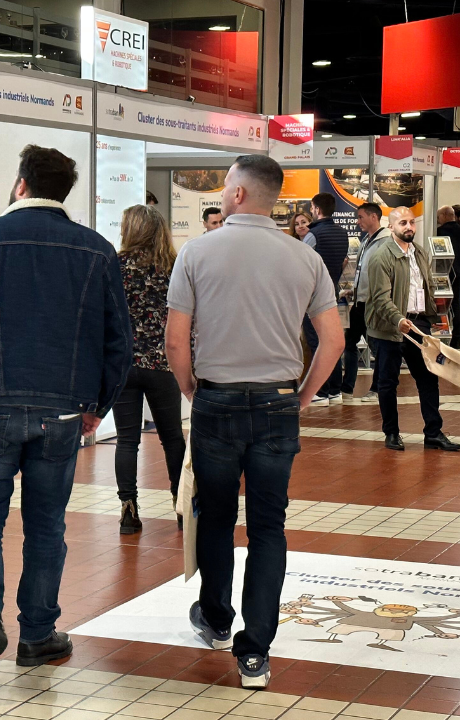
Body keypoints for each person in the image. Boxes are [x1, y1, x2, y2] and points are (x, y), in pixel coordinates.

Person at [0, 145, 132, 686]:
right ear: (64, 191)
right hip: (63, 412)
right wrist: (97, 407)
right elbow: (119, 341)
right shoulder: (96, 250)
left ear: (21, 185)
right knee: (46, 524)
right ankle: (38, 633)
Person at [166, 154, 343, 690]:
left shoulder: (196, 252)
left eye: (224, 184)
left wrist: (191, 389)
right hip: (276, 405)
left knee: (215, 516)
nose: (221, 191)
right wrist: (304, 396)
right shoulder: (304, 259)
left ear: (239, 194)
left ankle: (217, 620)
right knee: (269, 525)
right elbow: (332, 340)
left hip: (216, 403)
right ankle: (255, 652)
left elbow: (176, 341)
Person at [364, 207, 460, 453]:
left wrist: (430, 319)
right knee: (388, 382)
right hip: (390, 327)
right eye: (403, 223)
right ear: (391, 227)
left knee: (428, 378)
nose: (409, 227)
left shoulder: (419, 252)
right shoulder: (381, 256)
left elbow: (426, 287)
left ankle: (433, 433)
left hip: (418, 325)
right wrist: (398, 320)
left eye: (411, 223)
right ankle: (392, 433)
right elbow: (379, 298)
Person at [113, 205, 187, 534]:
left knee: (127, 441)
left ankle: (128, 510)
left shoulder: (114, 266)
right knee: (172, 438)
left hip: (124, 366)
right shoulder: (173, 266)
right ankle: (182, 507)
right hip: (163, 363)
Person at [340, 202, 390, 403]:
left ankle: (378, 388)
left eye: (360, 217)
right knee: (349, 342)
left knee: (377, 347)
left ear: (373, 217)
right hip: (359, 303)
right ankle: (347, 387)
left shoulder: (386, 241)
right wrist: (353, 290)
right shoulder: (367, 240)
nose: (357, 221)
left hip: (373, 304)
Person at [304, 193, 350, 405]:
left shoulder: (314, 235)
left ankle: (321, 391)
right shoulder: (343, 233)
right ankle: (334, 390)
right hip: (332, 292)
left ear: (316, 208)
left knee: (317, 342)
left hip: (312, 296)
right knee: (331, 341)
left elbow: (302, 263)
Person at [436, 205, 460, 349]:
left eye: (438, 217)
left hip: (445, 272)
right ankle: (456, 339)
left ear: (444, 216)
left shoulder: (440, 232)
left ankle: (440, 335)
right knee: (457, 304)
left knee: (441, 304)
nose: (437, 220)